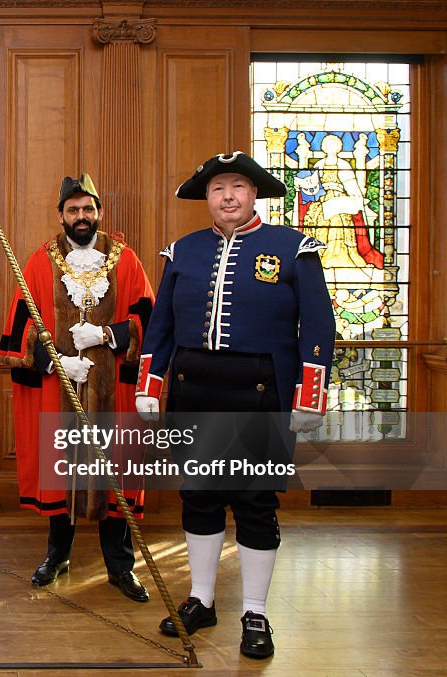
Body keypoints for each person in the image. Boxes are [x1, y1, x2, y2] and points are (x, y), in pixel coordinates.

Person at [136, 151, 335, 659]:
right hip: (194, 390)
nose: (228, 196)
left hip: (262, 392)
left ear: (254, 195)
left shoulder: (294, 249)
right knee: (198, 497)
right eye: (218, 188)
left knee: (254, 502)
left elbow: (318, 327)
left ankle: (255, 611)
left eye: (238, 187)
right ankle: (201, 600)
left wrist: (309, 394)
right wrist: (150, 384)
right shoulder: (182, 251)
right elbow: (160, 327)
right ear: (207, 198)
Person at [0, 174, 155, 602]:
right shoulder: (38, 261)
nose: (81, 217)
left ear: (99, 212)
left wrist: (107, 336)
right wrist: (56, 361)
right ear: (61, 216)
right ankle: (57, 555)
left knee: (114, 472)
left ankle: (121, 568)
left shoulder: (126, 261)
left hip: (113, 390)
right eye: (73, 210)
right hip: (59, 388)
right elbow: (19, 328)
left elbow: (150, 322)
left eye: (88, 209)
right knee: (61, 469)